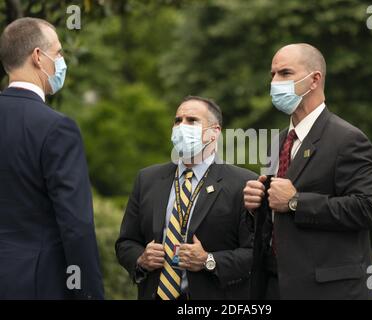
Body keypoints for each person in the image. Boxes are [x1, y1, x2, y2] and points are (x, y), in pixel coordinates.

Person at [244, 43, 372, 300]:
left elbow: (368, 209)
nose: (275, 82)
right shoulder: (278, 142)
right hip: (274, 285)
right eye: (272, 74)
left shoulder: (348, 139)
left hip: (328, 289)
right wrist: (258, 206)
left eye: (285, 73)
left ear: (314, 80)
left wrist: (296, 202)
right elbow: (276, 215)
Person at [0, 17, 104, 299]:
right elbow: (77, 226)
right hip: (36, 285)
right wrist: (90, 294)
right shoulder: (57, 128)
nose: (61, 62)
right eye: (58, 53)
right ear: (37, 56)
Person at [116, 96, 257, 300]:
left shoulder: (242, 183)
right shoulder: (147, 179)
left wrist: (208, 260)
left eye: (192, 120)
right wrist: (140, 259)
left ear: (214, 132)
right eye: (177, 120)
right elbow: (126, 241)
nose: (182, 126)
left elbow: (255, 254)